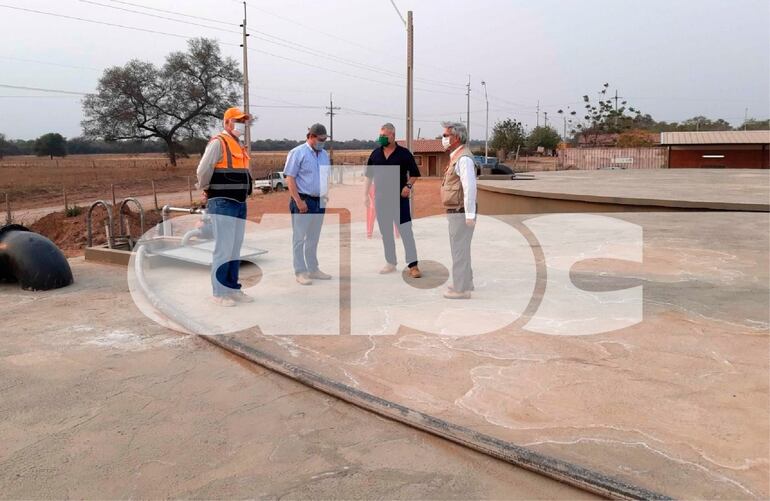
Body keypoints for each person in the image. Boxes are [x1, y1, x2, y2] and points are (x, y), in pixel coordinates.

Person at [196, 107, 254, 307]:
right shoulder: (218, 143)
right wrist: (205, 189)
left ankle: (232, 289)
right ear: (227, 122)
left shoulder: (239, 145)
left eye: (243, 122)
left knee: (235, 248)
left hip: (239, 202)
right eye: (237, 121)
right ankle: (219, 292)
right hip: (222, 202)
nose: (241, 125)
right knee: (224, 248)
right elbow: (203, 169)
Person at [364, 123, 422, 278]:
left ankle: (413, 265)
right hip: (381, 200)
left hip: (399, 200)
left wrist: (408, 186)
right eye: (380, 135)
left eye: (384, 135)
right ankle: (390, 262)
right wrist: (365, 195)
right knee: (386, 233)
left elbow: (415, 174)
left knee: (406, 232)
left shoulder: (404, 154)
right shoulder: (375, 154)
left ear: (393, 135)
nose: (381, 138)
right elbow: (369, 176)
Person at [284, 123, 332, 285]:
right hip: (303, 201)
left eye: (325, 139)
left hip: (319, 201)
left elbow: (325, 176)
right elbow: (290, 178)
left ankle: (313, 268)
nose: (323, 142)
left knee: (313, 238)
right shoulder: (298, 153)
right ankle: (300, 271)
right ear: (311, 136)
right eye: (320, 139)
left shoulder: (324, 154)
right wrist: (298, 201)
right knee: (299, 238)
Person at [440, 121, 477, 299]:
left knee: (459, 249)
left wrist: (469, 215)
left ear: (456, 137)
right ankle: (465, 281)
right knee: (462, 247)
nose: (443, 139)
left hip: (460, 211)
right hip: (457, 210)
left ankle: (461, 289)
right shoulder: (457, 156)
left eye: (446, 135)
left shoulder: (463, 158)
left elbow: (470, 187)